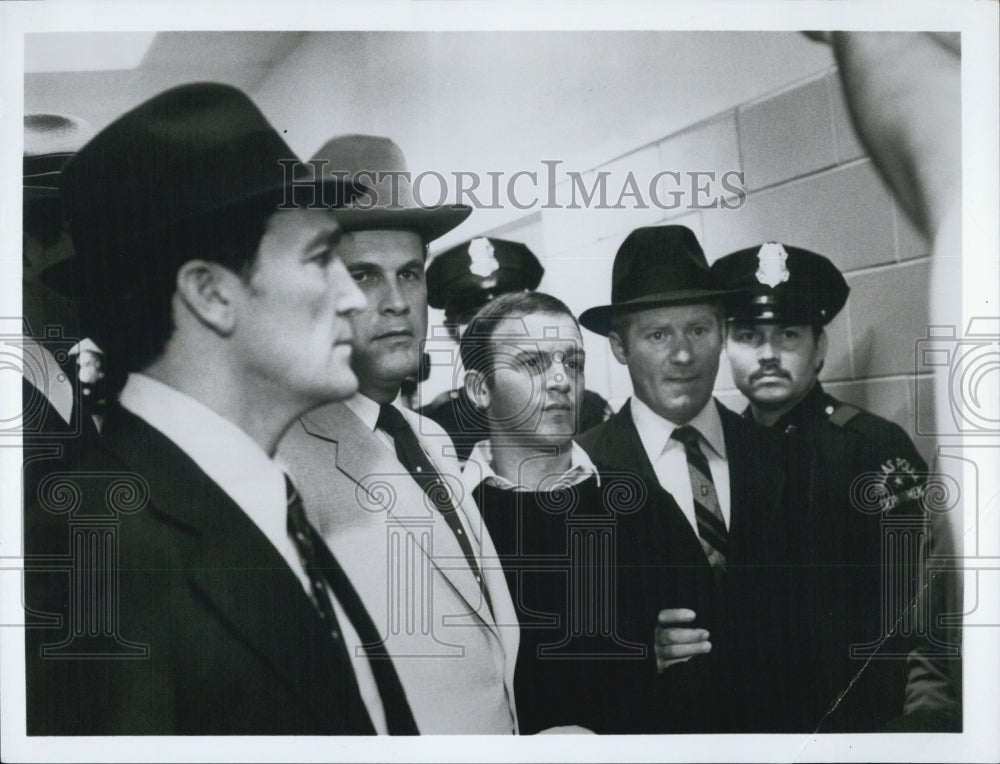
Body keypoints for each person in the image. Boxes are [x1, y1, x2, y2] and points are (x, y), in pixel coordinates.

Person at [24, 83, 416, 735]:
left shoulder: (246, 499)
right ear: (210, 294)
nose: (354, 299)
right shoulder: (99, 563)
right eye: (322, 259)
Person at [277, 135, 520, 734]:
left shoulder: (430, 437)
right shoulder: (285, 459)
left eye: (410, 274)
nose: (396, 303)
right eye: (365, 275)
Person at [711, 242, 959, 731]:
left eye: (787, 334)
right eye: (747, 335)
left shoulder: (870, 448)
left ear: (819, 348)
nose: (767, 354)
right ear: (726, 347)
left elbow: (913, 612)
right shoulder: (718, 454)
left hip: (859, 720)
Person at [576, 225, 786, 733]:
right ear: (619, 347)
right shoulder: (582, 474)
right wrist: (634, 652)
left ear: (722, 332)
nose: (684, 355)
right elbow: (559, 652)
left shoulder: (780, 454)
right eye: (657, 335)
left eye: (698, 329)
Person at [458, 290, 638, 734]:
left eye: (572, 363)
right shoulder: (453, 520)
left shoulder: (640, 505)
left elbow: (698, 661)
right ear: (481, 389)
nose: (561, 380)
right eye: (533, 363)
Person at [420, 236, 612, 462]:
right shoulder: (433, 426)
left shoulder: (585, 410)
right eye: (475, 320)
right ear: (452, 330)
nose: (496, 331)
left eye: (510, 317)